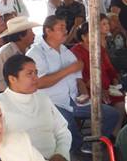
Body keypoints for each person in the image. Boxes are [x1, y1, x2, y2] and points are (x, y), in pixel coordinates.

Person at [0, 55, 93, 161]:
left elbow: (62, 131)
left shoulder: (43, 98)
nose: (36, 78)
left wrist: (61, 153)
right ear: (12, 79)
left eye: (36, 72)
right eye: (29, 74)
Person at [26, 15, 120, 152]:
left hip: (75, 100)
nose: (65, 31)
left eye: (66, 27)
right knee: (67, 123)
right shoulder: (36, 53)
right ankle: (78, 152)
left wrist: (84, 93)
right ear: (48, 31)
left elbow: (79, 79)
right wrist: (69, 69)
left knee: (112, 113)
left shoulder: (66, 52)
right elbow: (39, 83)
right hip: (52, 102)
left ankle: (91, 145)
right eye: (61, 28)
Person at [71, 19, 124, 105]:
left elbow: (109, 68)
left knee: (123, 103)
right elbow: (82, 78)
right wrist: (100, 90)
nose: (96, 36)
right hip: (91, 90)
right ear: (83, 37)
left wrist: (115, 81)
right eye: (92, 34)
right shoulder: (76, 52)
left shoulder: (99, 48)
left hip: (108, 88)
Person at [0, 16, 40, 93]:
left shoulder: (27, 50)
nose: (34, 35)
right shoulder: (5, 53)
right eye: (31, 32)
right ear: (21, 36)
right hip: (6, 95)